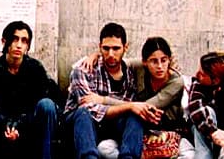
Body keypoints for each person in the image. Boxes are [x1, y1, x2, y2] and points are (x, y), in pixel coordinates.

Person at [65, 23, 158, 159]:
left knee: (135, 115)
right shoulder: (84, 69)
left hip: (114, 124)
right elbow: (90, 108)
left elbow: (158, 62)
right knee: (83, 112)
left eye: (116, 48)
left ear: (126, 47)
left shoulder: (131, 73)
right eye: (106, 48)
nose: (110, 54)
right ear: (99, 47)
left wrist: (130, 107)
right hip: (83, 125)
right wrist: (129, 106)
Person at [0, 21, 57, 159]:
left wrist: (19, 128)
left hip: (28, 131)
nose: (19, 45)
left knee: (47, 105)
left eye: (24, 41)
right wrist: (8, 127)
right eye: (15, 39)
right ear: (4, 41)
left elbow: (34, 108)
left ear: (27, 46)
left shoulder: (35, 69)